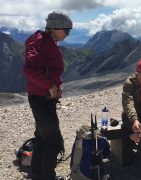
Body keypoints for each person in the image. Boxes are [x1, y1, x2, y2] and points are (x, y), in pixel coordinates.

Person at [23, 11, 72, 180]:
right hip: (41, 98)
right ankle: (47, 177)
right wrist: (50, 86)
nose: (68, 34)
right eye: (67, 30)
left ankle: (38, 176)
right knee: (53, 141)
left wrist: (55, 86)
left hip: (42, 97)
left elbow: (45, 69)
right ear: (56, 27)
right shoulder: (41, 42)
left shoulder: (47, 41)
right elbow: (30, 70)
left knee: (42, 138)